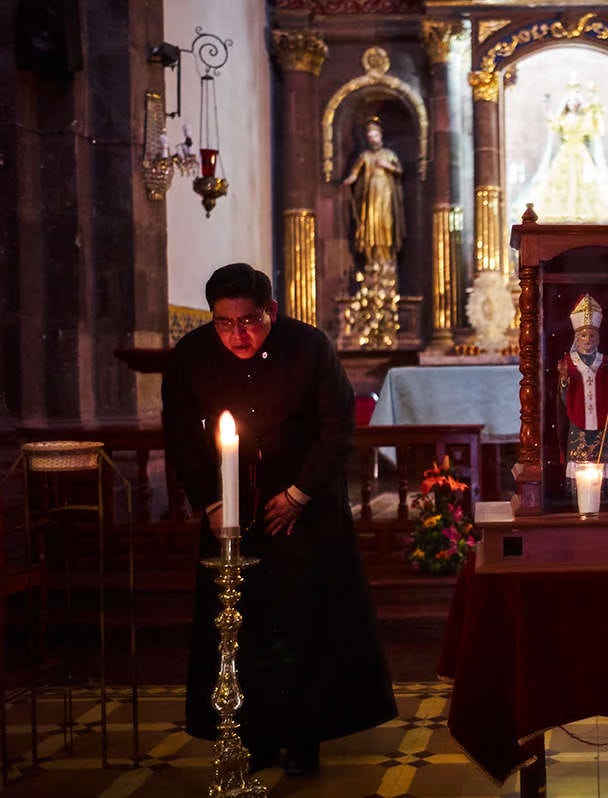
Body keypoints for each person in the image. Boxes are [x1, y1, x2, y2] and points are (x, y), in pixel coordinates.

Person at [162, 263, 397, 776]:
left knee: (303, 621)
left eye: (248, 321)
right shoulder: (191, 356)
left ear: (270, 310)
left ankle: (304, 738)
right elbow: (181, 435)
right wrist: (212, 501)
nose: (238, 335)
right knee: (242, 625)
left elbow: (337, 426)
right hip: (231, 511)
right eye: (224, 324)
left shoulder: (308, 346)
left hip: (304, 506)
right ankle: (252, 735)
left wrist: (298, 494)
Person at [515, 83, 608, 223]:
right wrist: (547, 110)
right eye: (571, 101)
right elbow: (555, 125)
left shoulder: (584, 119)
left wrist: (594, 105)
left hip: (580, 152)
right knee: (560, 182)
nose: (573, 104)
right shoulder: (563, 118)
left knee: (584, 182)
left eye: (576, 101)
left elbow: (593, 129)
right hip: (565, 152)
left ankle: (583, 215)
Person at [556, 294, 608, 493]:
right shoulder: (569, 361)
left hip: (602, 418)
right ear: (576, 338)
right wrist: (564, 379)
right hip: (578, 419)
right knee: (579, 456)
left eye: (592, 336)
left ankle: (604, 494)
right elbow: (562, 396)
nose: (588, 340)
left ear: (598, 338)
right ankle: (577, 494)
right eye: (583, 336)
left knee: (602, 456)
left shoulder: (604, 360)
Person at [342, 118, 405, 266]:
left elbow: (400, 170)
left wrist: (387, 166)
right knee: (371, 226)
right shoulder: (365, 156)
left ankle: (387, 258)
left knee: (386, 225)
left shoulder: (389, 154)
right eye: (370, 137)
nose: (373, 139)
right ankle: (372, 260)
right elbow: (355, 173)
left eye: (375, 136)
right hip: (370, 194)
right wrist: (349, 180)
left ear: (380, 136)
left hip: (386, 194)